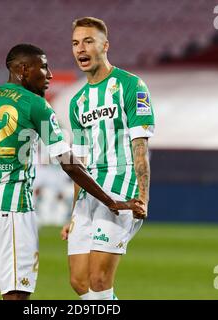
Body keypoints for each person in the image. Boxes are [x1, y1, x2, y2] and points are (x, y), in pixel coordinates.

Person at [0, 44, 143, 300]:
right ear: (24, 69)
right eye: (43, 66)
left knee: (9, 291)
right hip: (13, 208)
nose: (49, 74)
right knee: (17, 295)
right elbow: (69, 163)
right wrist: (111, 201)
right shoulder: (35, 105)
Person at [60, 17, 155, 300]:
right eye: (76, 43)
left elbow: (140, 146)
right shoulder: (77, 102)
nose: (81, 49)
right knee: (79, 282)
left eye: (88, 41)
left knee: (99, 279)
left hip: (121, 187)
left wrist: (143, 196)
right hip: (90, 193)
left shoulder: (131, 86)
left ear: (105, 45)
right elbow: (80, 162)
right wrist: (74, 211)